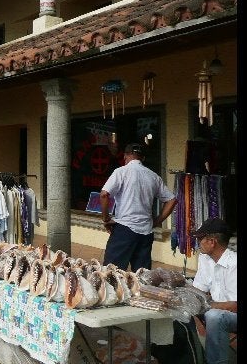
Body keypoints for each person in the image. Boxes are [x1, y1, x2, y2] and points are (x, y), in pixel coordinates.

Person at [99, 142, 177, 271]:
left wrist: (106, 219)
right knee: (142, 276)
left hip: (124, 229)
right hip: (146, 233)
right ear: (143, 158)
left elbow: (104, 195)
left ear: (125, 156)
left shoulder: (121, 172)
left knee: (112, 274)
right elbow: (172, 200)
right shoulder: (153, 176)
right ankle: (140, 292)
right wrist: (157, 221)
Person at [191, 218, 237, 364]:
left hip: (231, 314)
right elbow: (198, 291)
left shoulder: (234, 264)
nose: (198, 243)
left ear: (212, 242)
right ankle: (192, 357)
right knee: (181, 308)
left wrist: (205, 306)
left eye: (200, 238)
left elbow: (235, 306)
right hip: (218, 311)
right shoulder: (205, 259)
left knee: (214, 316)